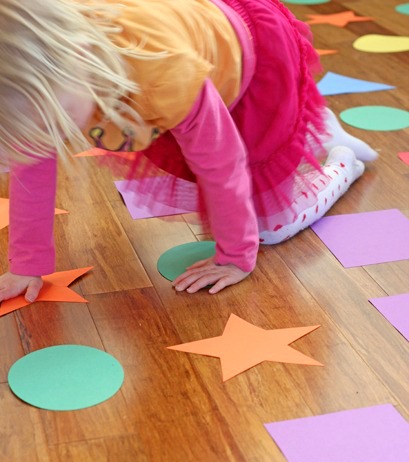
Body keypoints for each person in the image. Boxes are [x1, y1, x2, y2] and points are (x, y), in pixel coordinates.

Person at [0, 0, 377, 301]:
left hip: (252, 55)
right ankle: (315, 123)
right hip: (185, 56)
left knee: (269, 226)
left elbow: (222, 165)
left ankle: (342, 160)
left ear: (80, 59)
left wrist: (235, 256)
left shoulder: (164, 76)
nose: (50, 136)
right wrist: (26, 265)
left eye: (54, 118)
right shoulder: (48, 77)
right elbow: (30, 168)